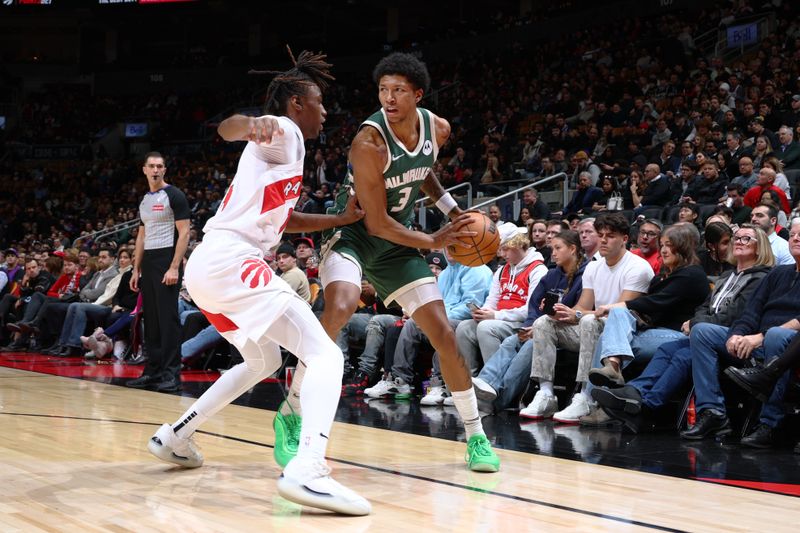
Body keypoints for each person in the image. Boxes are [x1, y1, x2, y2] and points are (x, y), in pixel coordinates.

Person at [146, 49, 371, 515]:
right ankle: (309, 468)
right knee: (324, 352)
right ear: (295, 105)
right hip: (232, 261)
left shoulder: (284, 155)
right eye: (318, 101)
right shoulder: (283, 131)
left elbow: (283, 221)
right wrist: (249, 123)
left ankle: (177, 436)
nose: (325, 110)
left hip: (211, 268)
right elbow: (230, 127)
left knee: (263, 358)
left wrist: (338, 217)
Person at [316, 52, 500, 471]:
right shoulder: (369, 143)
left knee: (444, 334)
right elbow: (377, 223)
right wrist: (434, 241)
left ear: (418, 94)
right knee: (341, 306)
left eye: (398, 90)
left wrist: (453, 211)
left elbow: (423, 171)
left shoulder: (438, 128)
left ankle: (476, 437)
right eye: (383, 90)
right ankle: (293, 411)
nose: (389, 98)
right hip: (357, 234)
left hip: (398, 240)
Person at [593, 224, 773, 432]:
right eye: (737, 238)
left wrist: (696, 324)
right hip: (705, 335)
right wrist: (697, 321)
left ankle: (646, 406)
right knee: (669, 350)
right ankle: (635, 392)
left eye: (746, 239)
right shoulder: (726, 276)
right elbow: (704, 306)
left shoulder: (762, 278)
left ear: (761, 248)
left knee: (684, 355)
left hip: (735, 338)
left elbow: (736, 314)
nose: (738, 242)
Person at [681, 219, 800, 448]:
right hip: (754, 340)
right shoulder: (777, 274)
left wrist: (760, 336)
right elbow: (751, 313)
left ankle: (769, 424)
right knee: (703, 331)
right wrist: (737, 334)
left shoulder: (764, 273)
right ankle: (712, 411)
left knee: (775, 335)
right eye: (793, 234)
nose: (795, 238)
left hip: (785, 343)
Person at [473, 230, 587, 411]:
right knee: (513, 340)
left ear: (573, 249)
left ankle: (501, 399)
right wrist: (529, 326)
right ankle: (486, 382)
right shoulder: (552, 275)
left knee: (529, 346)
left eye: (558, 248)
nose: (553, 253)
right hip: (541, 327)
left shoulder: (586, 274)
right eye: (552, 248)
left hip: (568, 331)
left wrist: (539, 327)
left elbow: (579, 314)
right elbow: (534, 306)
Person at [125, 151, 191, 393]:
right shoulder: (144, 200)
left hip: (167, 259)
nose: (155, 170)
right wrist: (135, 269)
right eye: (151, 166)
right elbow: (141, 236)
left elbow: (184, 233)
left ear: (164, 170)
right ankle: (152, 372)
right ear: (144, 169)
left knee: (167, 319)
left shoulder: (174, 195)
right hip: (149, 261)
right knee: (150, 320)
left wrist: (174, 266)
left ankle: (171, 374)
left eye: (160, 166)